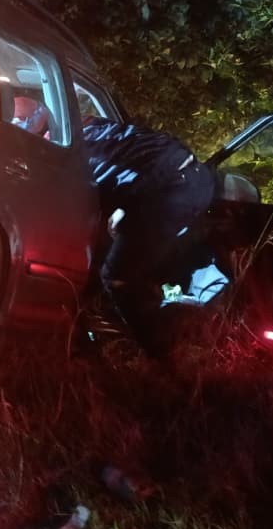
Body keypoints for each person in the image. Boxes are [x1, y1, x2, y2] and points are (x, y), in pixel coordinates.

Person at [81, 116, 218, 359]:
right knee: (143, 262)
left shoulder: (73, 150)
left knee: (115, 277)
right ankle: (179, 328)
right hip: (198, 179)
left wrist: (125, 207)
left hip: (165, 192)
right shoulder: (99, 125)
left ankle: (163, 357)